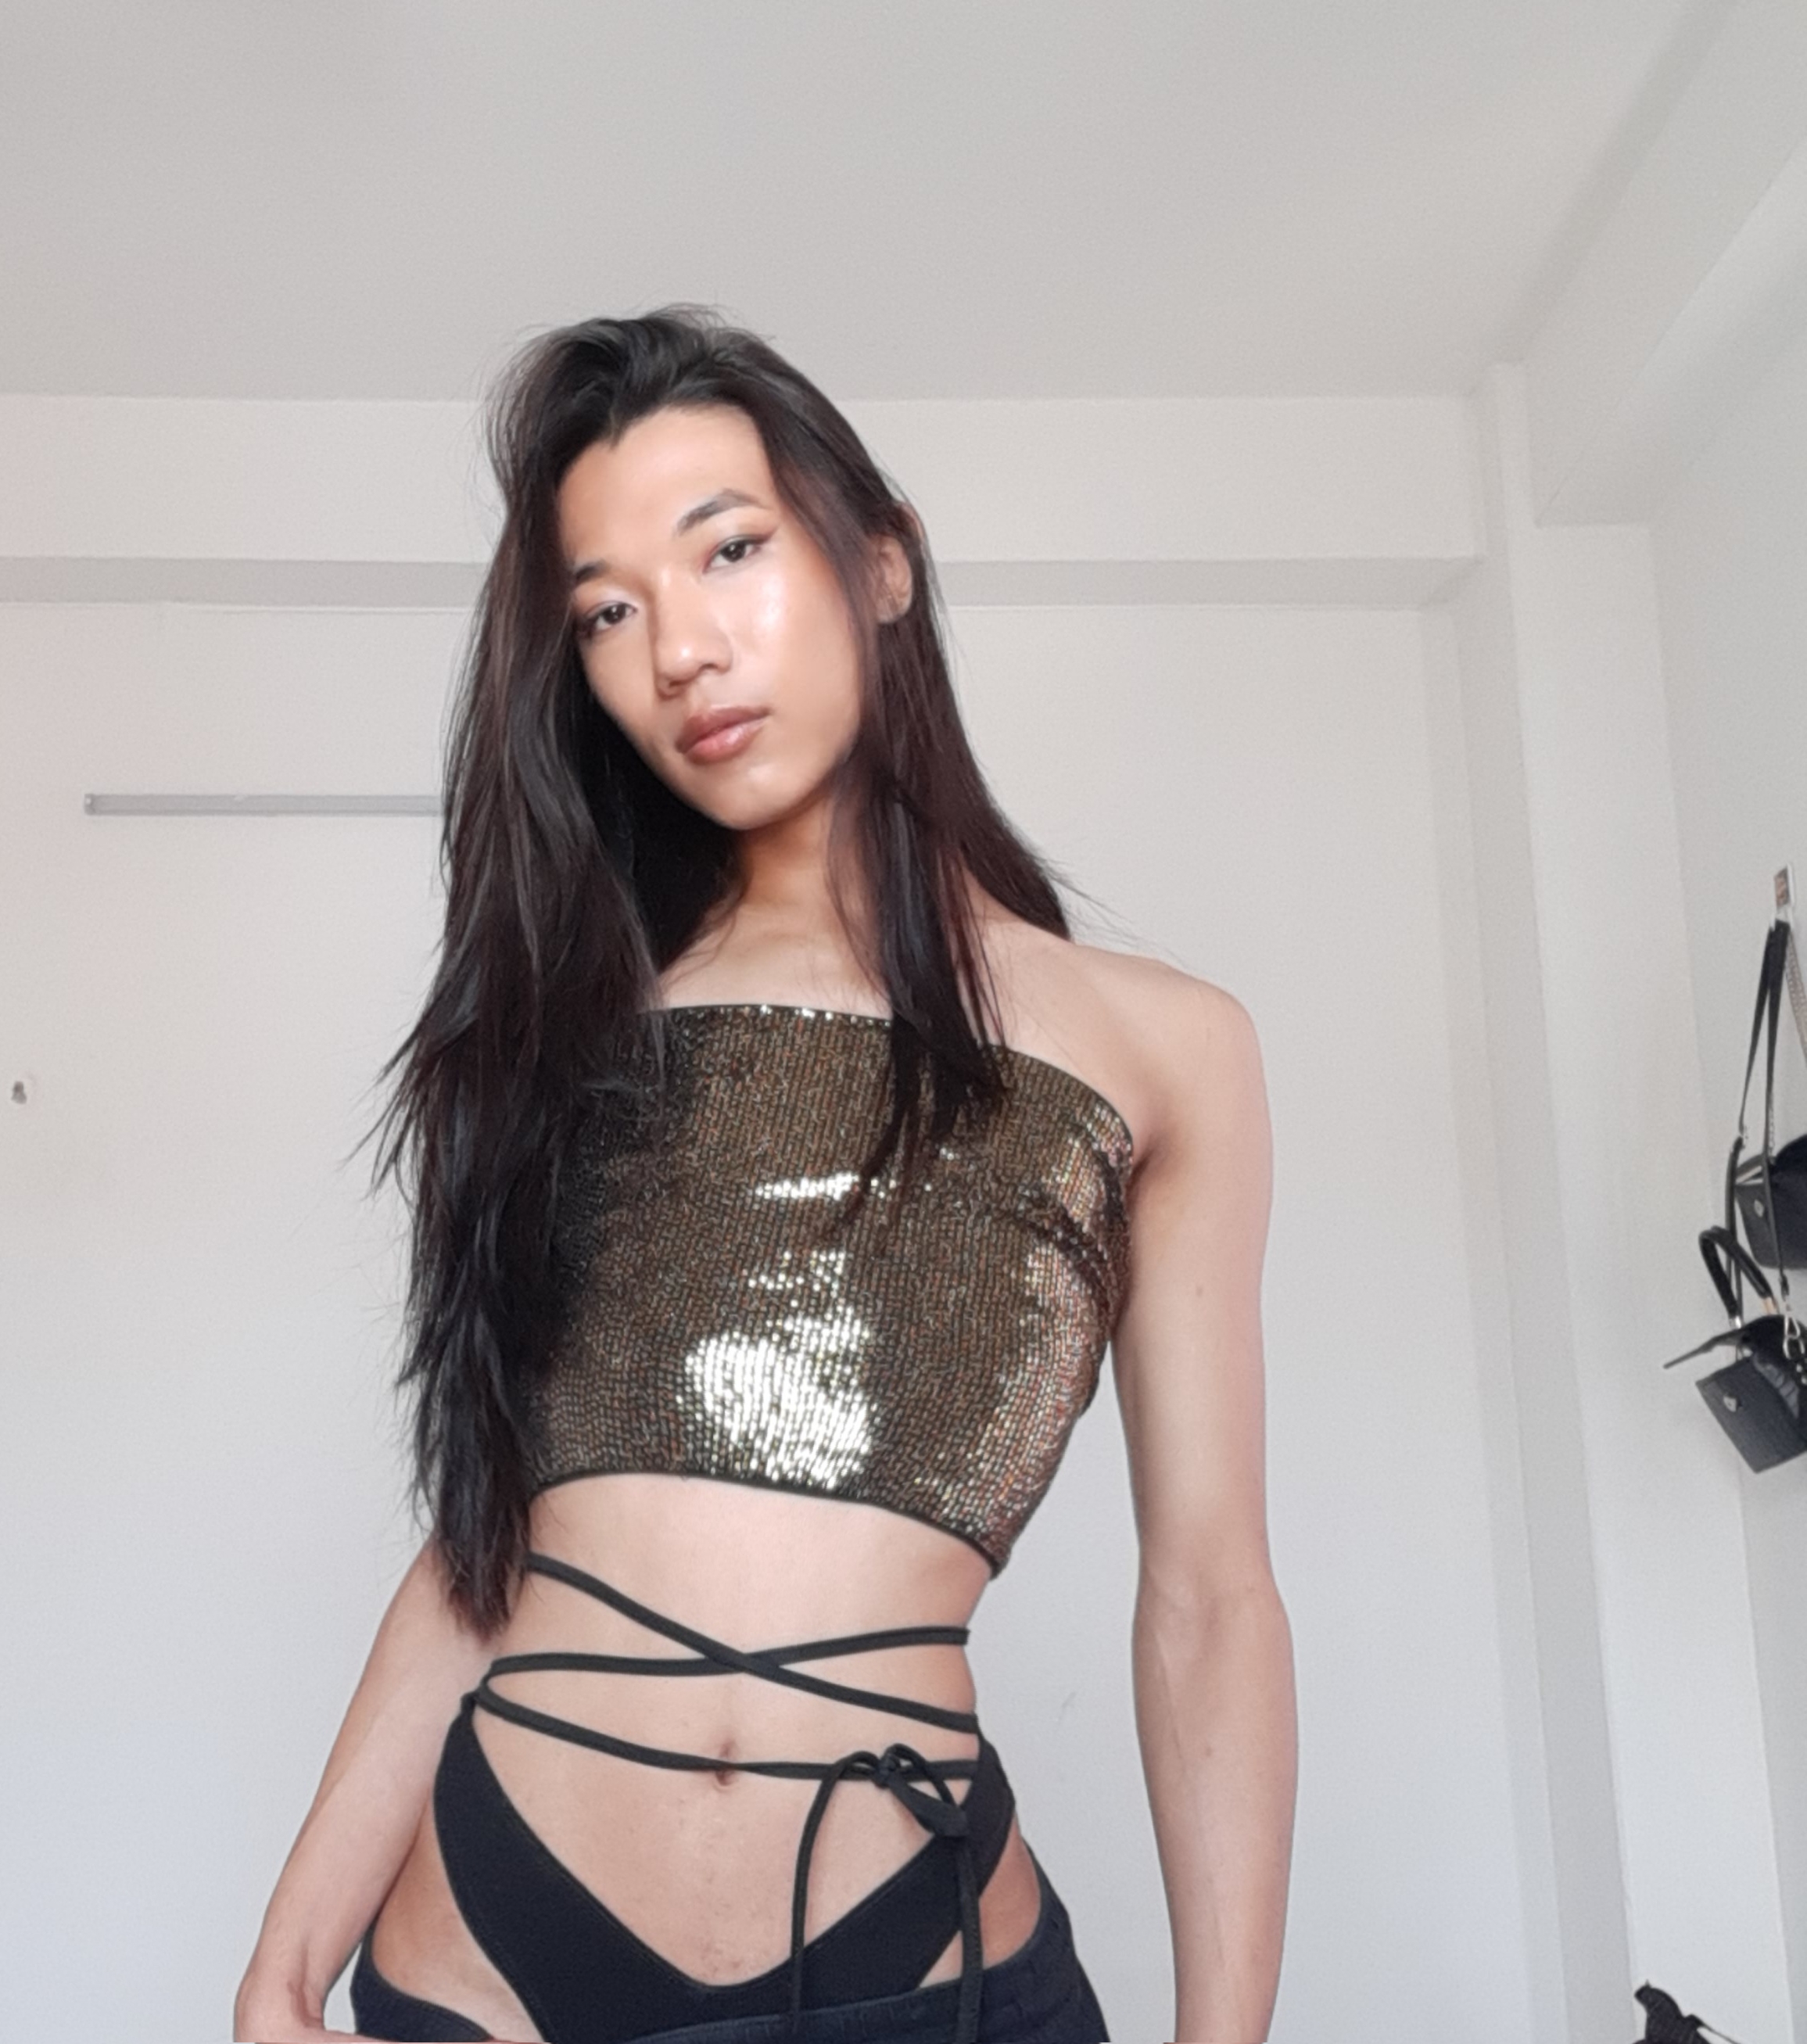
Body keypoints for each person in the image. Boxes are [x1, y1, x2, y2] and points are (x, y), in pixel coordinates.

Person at [236, 310, 1295, 2044]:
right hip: (495, 1947)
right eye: (608, 610)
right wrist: (283, 1964)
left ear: (882, 560)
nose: (680, 649)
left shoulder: (1168, 1050)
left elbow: (1210, 1599)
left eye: (728, 548)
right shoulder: (574, 1030)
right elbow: (484, 1544)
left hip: (917, 1958)